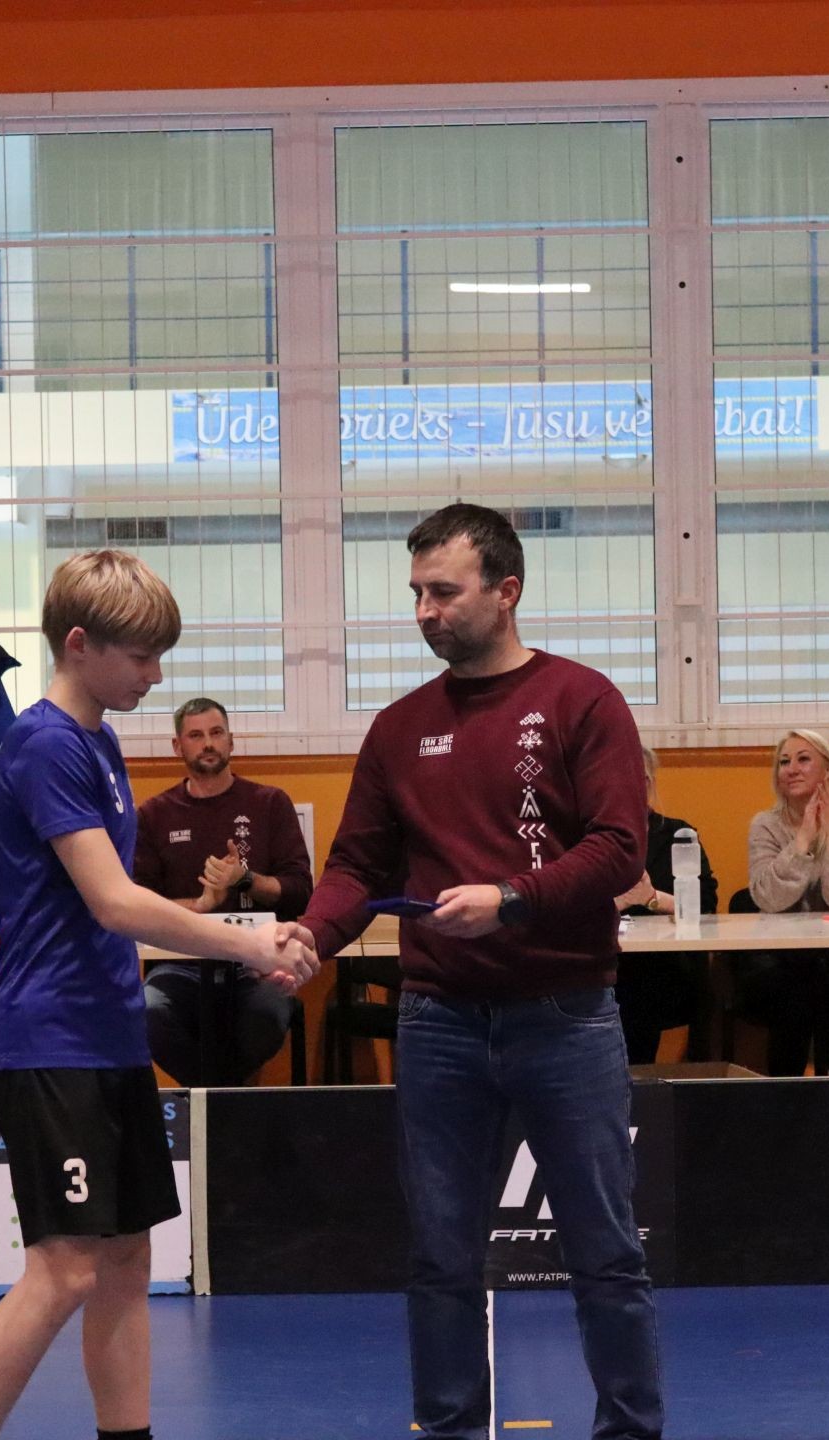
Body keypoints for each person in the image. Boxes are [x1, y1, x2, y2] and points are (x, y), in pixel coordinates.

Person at [280, 504, 663, 1440]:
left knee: (606, 1253)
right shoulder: (399, 727)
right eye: (416, 593)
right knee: (441, 1258)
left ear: (506, 590)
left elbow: (620, 848)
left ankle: (630, 1430)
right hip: (440, 1021)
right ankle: (449, 1430)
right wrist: (310, 937)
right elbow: (356, 867)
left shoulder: (583, 701)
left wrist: (512, 898)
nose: (425, 611)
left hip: (566, 1015)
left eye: (444, 592)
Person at [0, 551, 317, 1440]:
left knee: (125, 1263)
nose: (156, 676)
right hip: (49, 1040)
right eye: (141, 657)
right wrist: (249, 941)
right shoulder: (43, 746)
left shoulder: (100, 742)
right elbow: (114, 902)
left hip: (110, 1037)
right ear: (79, 644)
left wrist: (242, 930)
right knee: (64, 1269)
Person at [134, 696, 315, 1085]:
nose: (208, 744)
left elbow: (301, 891)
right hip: (180, 964)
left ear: (231, 741)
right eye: (195, 736)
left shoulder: (270, 803)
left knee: (266, 1016)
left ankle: (217, 1101)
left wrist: (244, 879)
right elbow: (139, 906)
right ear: (178, 746)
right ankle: (217, 1098)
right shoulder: (153, 815)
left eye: (216, 733)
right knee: (147, 1013)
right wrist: (200, 906)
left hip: (257, 961)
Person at [733, 729, 829, 1076]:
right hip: (777, 956)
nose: (791, 769)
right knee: (794, 990)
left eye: (803, 759)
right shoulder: (766, 825)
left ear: (828, 771)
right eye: (784, 762)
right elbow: (768, 898)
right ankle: (788, 1094)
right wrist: (802, 841)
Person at [612, 744, 719, 1065]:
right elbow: (570, 904)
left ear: (650, 783)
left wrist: (651, 898)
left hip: (663, 965)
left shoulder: (677, 834)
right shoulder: (588, 835)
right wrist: (616, 902)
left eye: (641, 777)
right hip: (606, 961)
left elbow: (705, 904)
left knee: (644, 983)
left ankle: (637, 1081)